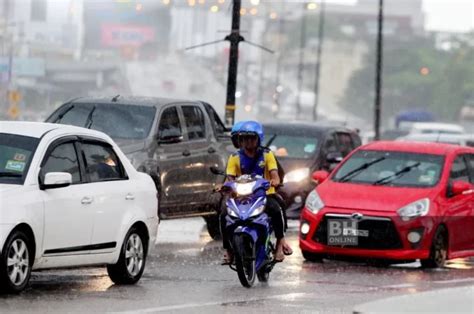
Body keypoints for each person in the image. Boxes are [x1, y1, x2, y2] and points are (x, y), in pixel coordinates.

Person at [221, 120, 293, 264]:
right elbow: (229, 178)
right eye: (244, 138)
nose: (248, 142)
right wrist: (224, 187)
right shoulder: (234, 157)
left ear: (258, 139)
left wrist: (274, 181)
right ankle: (228, 250)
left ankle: (280, 243)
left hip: (265, 195)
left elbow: (275, 175)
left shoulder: (267, 155)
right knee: (224, 213)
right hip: (241, 197)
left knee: (276, 208)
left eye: (251, 138)